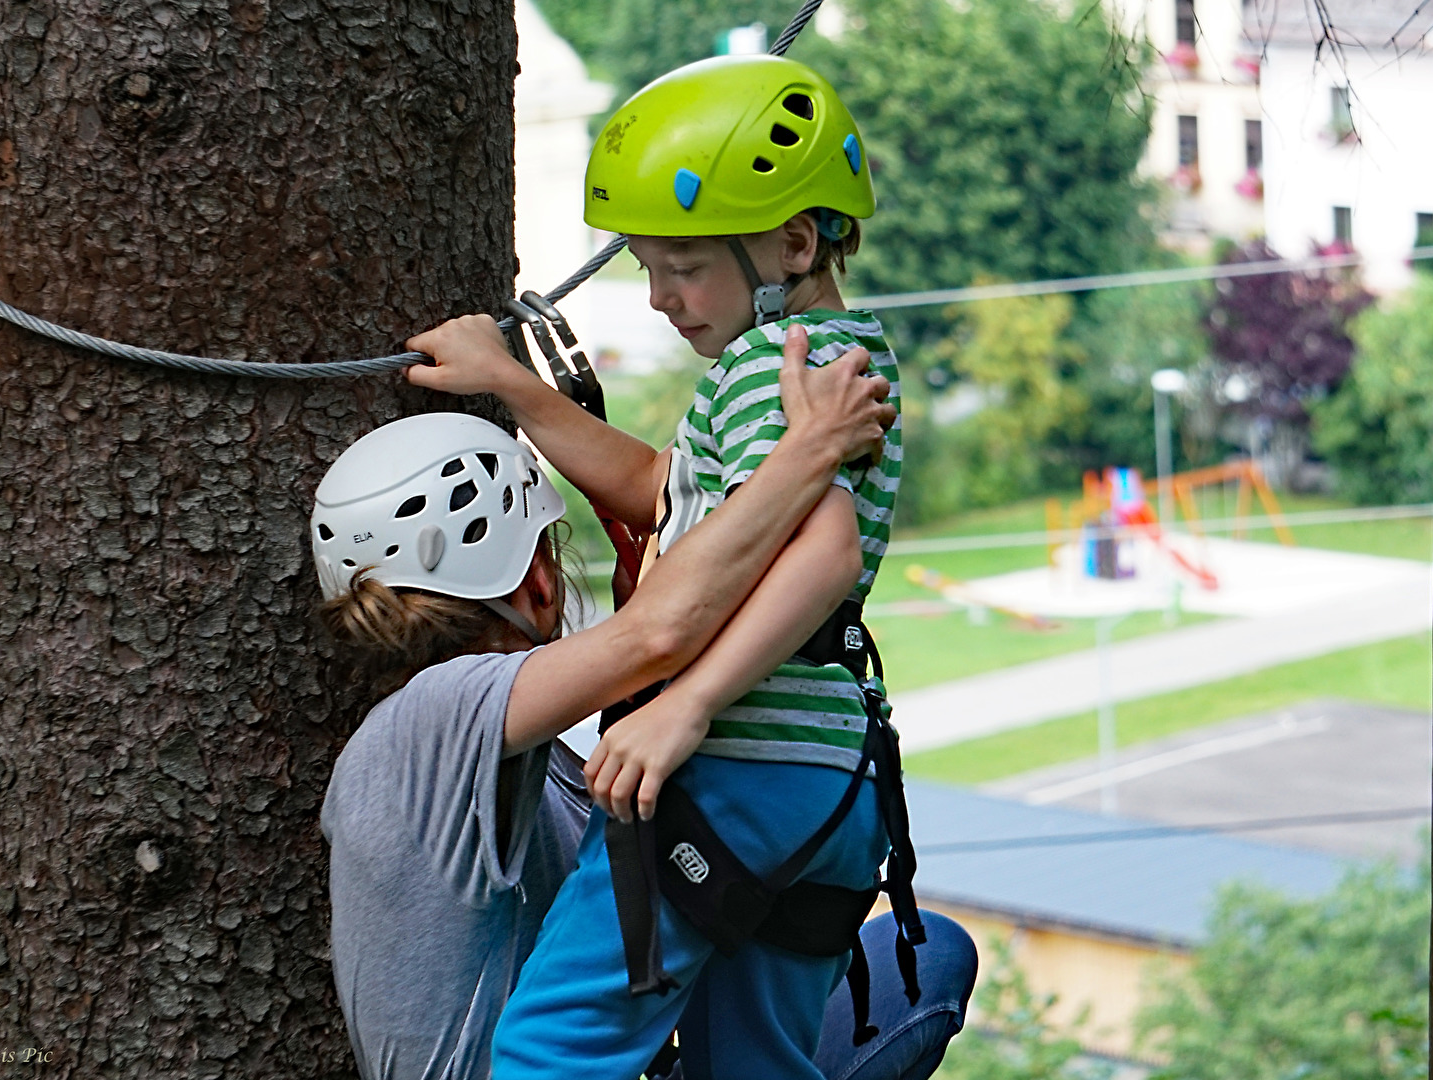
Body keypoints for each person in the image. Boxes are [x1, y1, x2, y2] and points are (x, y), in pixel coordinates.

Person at [313, 336, 974, 1080]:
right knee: (918, 961)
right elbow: (658, 633)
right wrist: (810, 447)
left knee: (926, 952)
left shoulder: (484, 758)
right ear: (538, 581)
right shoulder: (431, 718)